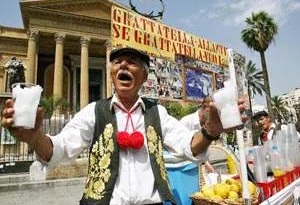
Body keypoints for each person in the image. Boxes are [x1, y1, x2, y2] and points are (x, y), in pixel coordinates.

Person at [1, 47, 247, 205]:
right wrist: (33, 137)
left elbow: (188, 146)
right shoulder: (93, 112)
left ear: (143, 77)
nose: (123, 66)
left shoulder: (157, 113)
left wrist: (209, 132)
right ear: (111, 75)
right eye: (118, 63)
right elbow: (58, 150)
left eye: (132, 63)